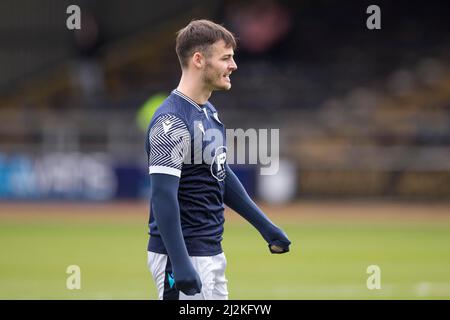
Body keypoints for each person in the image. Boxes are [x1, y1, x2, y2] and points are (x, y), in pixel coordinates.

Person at [146, 19, 291, 300]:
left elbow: (220, 175)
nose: (233, 65)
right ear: (199, 60)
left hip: (210, 250)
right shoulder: (171, 120)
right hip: (184, 255)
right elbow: (163, 196)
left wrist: (265, 226)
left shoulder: (208, 111)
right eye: (226, 58)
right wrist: (180, 262)